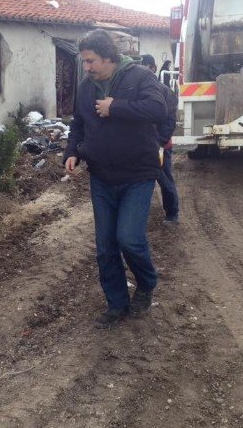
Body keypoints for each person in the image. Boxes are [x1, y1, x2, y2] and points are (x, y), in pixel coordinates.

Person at [64, 29, 174, 329]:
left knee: (129, 238)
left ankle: (147, 283)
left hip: (137, 175)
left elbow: (159, 109)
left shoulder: (139, 77)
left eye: (91, 61)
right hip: (102, 177)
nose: (86, 67)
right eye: (84, 62)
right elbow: (78, 124)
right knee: (105, 246)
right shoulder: (87, 87)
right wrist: (72, 152)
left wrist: (117, 107)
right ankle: (116, 303)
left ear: (109, 57)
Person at [143, 54, 180, 225]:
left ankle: (172, 214)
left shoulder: (164, 91)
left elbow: (170, 120)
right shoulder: (137, 91)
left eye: (146, 66)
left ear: (153, 68)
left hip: (160, 146)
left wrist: (160, 143)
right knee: (141, 180)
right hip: (141, 146)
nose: (143, 69)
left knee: (164, 178)